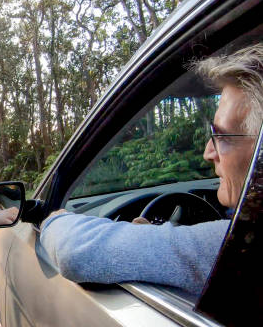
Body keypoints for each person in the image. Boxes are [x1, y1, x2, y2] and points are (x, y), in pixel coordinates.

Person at [40, 43, 263, 295]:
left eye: (221, 136)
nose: (207, 152)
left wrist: (53, 220)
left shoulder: (240, 247)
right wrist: (155, 237)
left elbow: (75, 251)